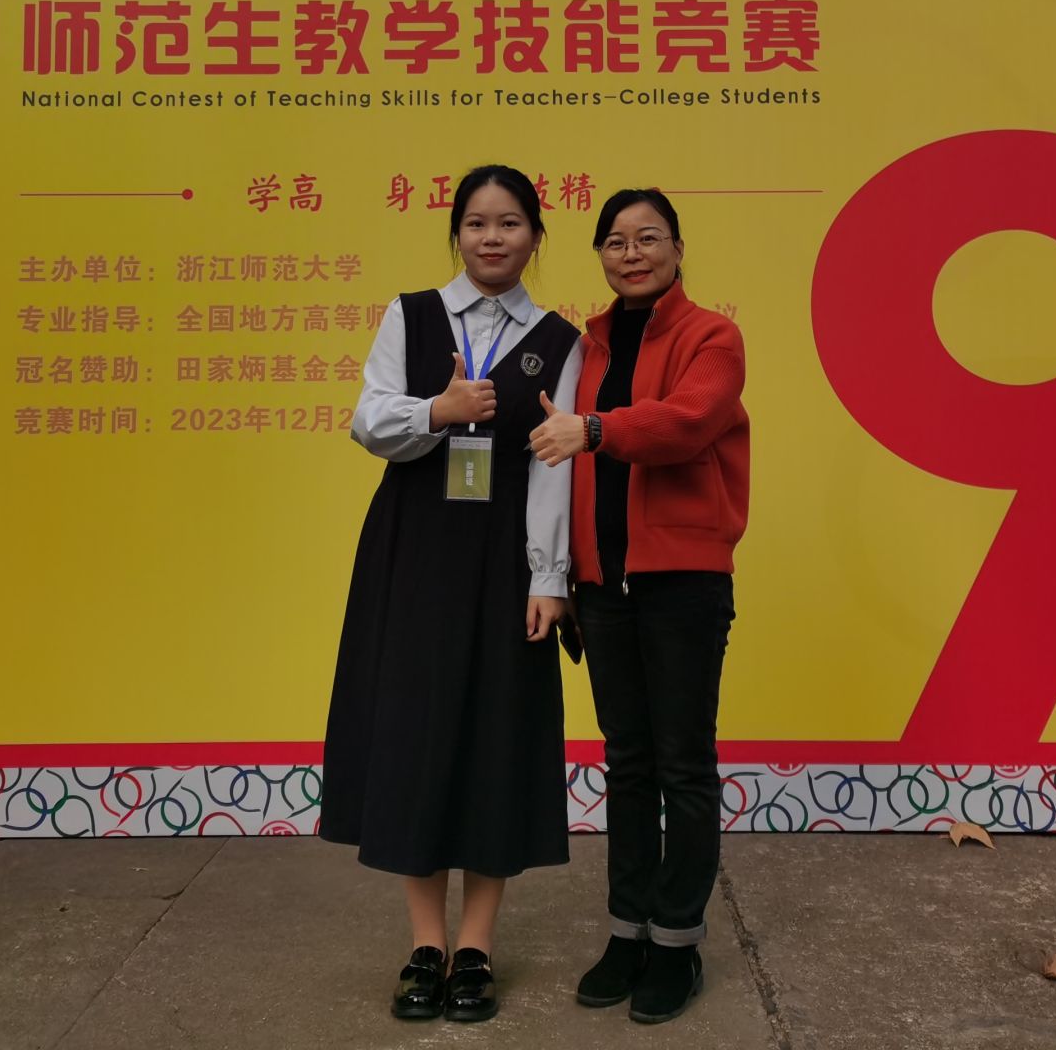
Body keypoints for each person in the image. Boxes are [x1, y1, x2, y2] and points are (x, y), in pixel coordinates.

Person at [320, 164, 584, 1023]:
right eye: (476, 223)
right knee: (417, 734)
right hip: (415, 551)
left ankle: (476, 947)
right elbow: (369, 421)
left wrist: (549, 578)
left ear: (535, 236)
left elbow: (555, 468)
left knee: (495, 737)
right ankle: (425, 945)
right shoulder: (412, 315)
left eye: (509, 223)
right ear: (456, 234)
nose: (492, 238)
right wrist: (438, 410)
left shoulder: (559, 340)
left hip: (506, 559)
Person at [529, 187, 749, 1026]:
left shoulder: (711, 337)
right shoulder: (585, 347)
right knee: (626, 764)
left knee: (683, 766)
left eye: (649, 237)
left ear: (678, 249)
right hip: (604, 586)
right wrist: (562, 577)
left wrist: (594, 430)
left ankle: (677, 943)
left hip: (683, 583)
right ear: (600, 255)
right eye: (616, 241)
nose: (632, 253)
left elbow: (687, 424)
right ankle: (628, 931)